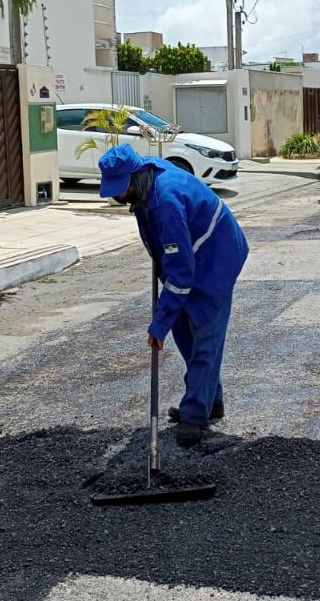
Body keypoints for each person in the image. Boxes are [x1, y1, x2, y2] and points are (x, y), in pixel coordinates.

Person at [97, 145, 249, 448]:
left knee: (205, 336)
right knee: (185, 336)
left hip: (216, 256)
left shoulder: (166, 201)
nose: (119, 195)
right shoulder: (145, 181)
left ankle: (195, 416)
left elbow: (181, 274)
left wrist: (159, 323)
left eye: (121, 187)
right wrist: (168, 318)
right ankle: (209, 401)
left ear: (136, 175)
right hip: (188, 256)